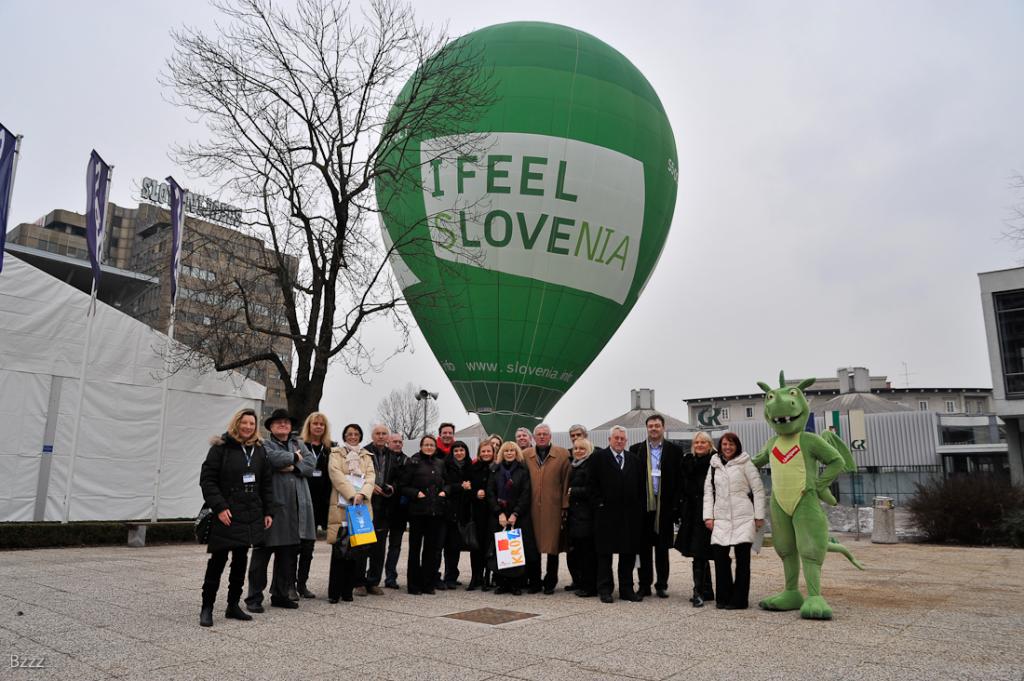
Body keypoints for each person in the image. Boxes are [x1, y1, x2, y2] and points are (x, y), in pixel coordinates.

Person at [199, 408, 276, 627]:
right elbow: (208, 480)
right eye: (245, 423)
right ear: (237, 423)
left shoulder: (259, 450)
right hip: (227, 514)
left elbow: (266, 484)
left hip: (251, 514)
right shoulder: (221, 447)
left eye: (252, 424)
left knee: (241, 562)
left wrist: (268, 511)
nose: (248, 427)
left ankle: (233, 605)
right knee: (218, 562)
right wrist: (220, 507)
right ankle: (207, 607)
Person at [245, 409, 315, 612]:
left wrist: (292, 465)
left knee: (287, 555)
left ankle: (280, 594)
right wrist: (294, 458)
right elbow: (270, 458)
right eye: (278, 423)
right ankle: (254, 597)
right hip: (272, 508)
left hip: (296, 509)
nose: (283, 425)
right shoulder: (263, 444)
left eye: (286, 422)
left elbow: (311, 464)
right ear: (271, 427)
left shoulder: (298, 443)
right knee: (263, 554)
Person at [704, 432, 766, 610]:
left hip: (743, 518)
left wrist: (759, 516)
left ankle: (739, 600)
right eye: (724, 444)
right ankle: (723, 598)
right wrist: (708, 516)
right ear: (720, 446)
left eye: (731, 444)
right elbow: (708, 492)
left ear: (737, 445)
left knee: (742, 561)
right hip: (721, 518)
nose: (727, 447)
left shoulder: (746, 463)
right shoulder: (714, 464)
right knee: (720, 559)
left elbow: (758, 489)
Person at [629, 414, 684, 599]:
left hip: (665, 507)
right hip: (643, 507)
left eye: (657, 426)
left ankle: (661, 585)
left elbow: (679, 480)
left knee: (662, 549)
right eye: (651, 426)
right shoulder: (635, 449)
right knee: (643, 549)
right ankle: (644, 585)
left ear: (663, 428)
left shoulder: (675, 451)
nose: (654, 429)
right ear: (647, 428)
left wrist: (676, 506)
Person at [590, 425, 644, 603]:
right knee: (604, 554)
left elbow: (640, 487)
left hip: (628, 515)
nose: (619, 441)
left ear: (626, 441)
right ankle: (605, 589)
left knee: (627, 554)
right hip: (606, 514)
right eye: (616, 438)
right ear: (609, 440)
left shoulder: (633, 460)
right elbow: (591, 484)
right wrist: (599, 504)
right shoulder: (598, 458)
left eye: (622, 438)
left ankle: (627, 589)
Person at [326, 423, 376, 603]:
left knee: (356, 551)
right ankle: (334, 592)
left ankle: (347, 590)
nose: (353, 436)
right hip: (341, 505)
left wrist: (362, 494)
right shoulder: (335, 453)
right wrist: (352, 494)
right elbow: (336, 475)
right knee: (339, 550)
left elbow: (370, 477)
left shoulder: (366, 456)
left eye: (356, 434)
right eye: (349, 434)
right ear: (344, 435)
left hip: (360, 507)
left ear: (360, 436)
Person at [521, 423, 570, 594]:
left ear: (550, 436)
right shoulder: (526, 455)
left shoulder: (562, 454)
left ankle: (550, 581)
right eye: (539, 434)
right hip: (531, 507)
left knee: (552, 546)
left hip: (553, 507)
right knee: (532, 545)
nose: (542, 436)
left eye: (545, 434)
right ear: (533, 438)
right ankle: (534, 581)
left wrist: (565, 504)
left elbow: (566, 481)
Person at [399, 435, 449, 595]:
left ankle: (428, 584)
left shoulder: (440, 463)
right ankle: (414, 585)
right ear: (420, 446)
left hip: (435, 512)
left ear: (435, 447)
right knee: (415, 549)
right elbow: (403, 486)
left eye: (431, 445)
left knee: (431, 550)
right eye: (426, 444)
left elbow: (447, 483)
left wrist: (445, 492)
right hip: (417, 512)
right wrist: (415, 493)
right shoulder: (413, 462)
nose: (429, 447)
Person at [675, 431, 716, 607]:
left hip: (707, 511)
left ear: (709, 445)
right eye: (697, 442)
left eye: (703, 442)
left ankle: (699, 591)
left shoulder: (715, 462)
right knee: (698, 551)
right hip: (691, 511)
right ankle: (705, 590)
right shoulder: (688, 462)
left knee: (701, 551)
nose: (699, 445)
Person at [296, 411, 333, 599]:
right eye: (315, 424)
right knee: (296, 545)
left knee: (309, 547)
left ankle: (302, 584)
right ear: (308, 426)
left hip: (322, 502)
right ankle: (289, 584)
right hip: (302, 499)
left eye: (321, 424)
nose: (318, 427)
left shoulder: (329, 449)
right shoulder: (300, 446)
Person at [488, 441, 532, 595]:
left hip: (517, 517)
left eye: (512, 450)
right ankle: (501, 583)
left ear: (517, 452)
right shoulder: (495, 470)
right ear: (502, 453)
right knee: (501, 551)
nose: (509, 453)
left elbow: (526, 494)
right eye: (506, 451)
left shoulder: (523, 470)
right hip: (499, 516)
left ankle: (516, 584)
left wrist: (515, 514)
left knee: (516, 551)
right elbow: (490, 493)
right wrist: (499, 512)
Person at [363, 423, 399, 595]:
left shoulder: (393, 455)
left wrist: (392, 487)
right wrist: (369, 487)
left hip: (385, 506)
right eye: (378, 433)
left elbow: (400, 479)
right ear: (372, 435)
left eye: (384, 433)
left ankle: (373, 581)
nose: (381, 436)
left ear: (388, 437)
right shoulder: (363, 453)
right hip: (365, 504)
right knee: (362, 544)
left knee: (379, 546)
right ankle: (359, 582)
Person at [566, 437, 597, 598]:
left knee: (587, 554)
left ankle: (589, 586)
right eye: (576, 448)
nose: (578, 451)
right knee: (578, 552)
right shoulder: (575, 466)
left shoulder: (589, 466)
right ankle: (581, 582)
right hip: (576, 516)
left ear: (588, 450)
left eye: (582, 448)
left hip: (585, 517)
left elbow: (593, 490)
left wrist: (573, 492)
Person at [442, 440, 473, 588]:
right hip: (449, 511)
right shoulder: (446, 466)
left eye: (462, 450)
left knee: (457, 546)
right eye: (456, 450)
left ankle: (453, 575)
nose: (459, 453)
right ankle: (448, 577)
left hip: (464, 512)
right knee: (449, 546)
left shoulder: (470, 467)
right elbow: (445, 485)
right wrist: (460, 487)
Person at [467, 440, 497, 591]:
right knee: (476, 546)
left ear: (493, 452)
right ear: (479, 453)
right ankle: (475, 576)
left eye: (488, 451)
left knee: (489, 546)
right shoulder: (473, 468)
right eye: (483, 451)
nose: (486, 454)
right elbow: (467, 488)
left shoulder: (497, 468)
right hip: (477, 513)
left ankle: (487, 577)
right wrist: (475, 493)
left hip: (492, 513)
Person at [382, 432, 408, 589]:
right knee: (377, 545)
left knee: (395, 546)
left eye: (400, 442)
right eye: (394, 441)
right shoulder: (382, 459)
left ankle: (391, 577)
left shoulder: (408, 460)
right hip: (383, 508)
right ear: (388, 442)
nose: (397, 444)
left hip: (400, 510)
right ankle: (371, 575)